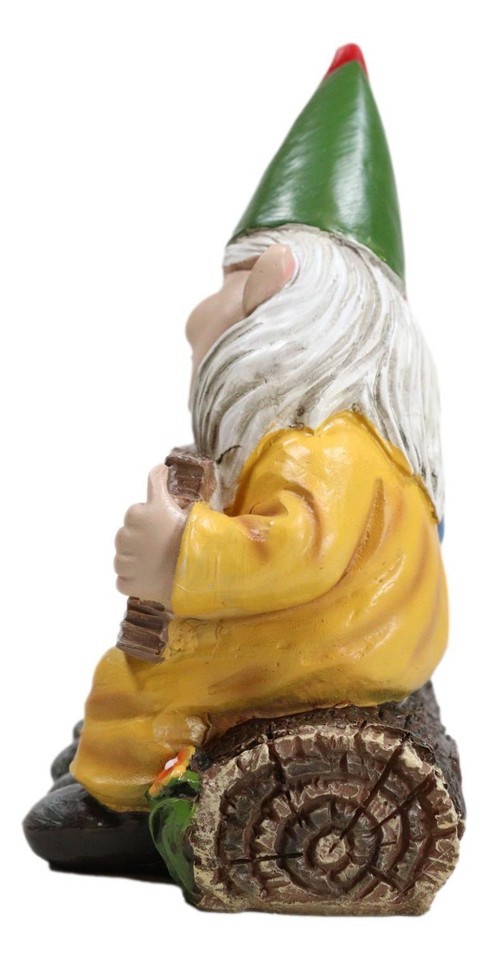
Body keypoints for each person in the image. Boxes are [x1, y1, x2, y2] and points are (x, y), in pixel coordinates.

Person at [24, 44, 447, 872]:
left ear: (284, 296)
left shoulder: (325, 448)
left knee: (148, 677)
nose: (204, 315)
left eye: (238, 284)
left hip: (342, 641)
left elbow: (296, 552)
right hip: (345, 625)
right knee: (149, 662)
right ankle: (120, 741)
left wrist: (181, 551)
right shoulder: (321, 439)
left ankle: (125, 790)